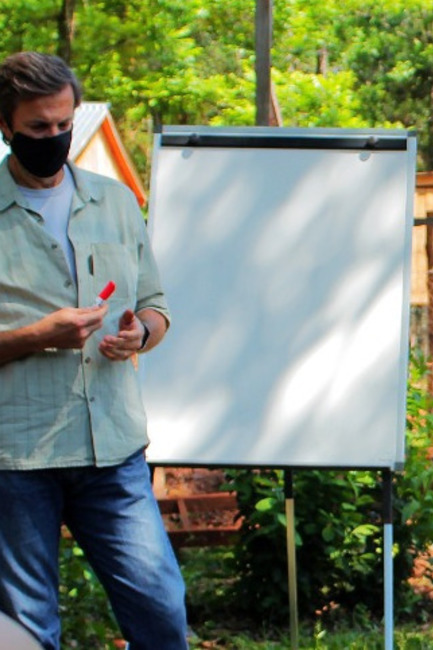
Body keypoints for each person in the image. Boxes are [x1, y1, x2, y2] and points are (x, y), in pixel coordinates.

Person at [0, 52, 187, 649]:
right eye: (38, 127)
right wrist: (39, 336)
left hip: (113, 448)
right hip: (17, 458)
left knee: (161, 610)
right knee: (29, 629)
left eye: (64, 124)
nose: (54, 137)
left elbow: (155, 305)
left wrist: (141, 335)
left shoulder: (116, 201)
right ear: (5, 125)